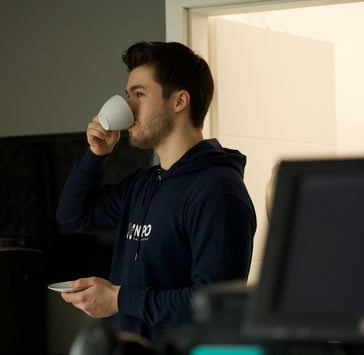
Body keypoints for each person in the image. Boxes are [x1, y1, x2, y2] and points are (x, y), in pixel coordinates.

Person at [56, 41, 256, 341]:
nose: (128, 107)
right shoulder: (144, 184)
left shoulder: (218, 191)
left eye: (139, 94)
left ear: (179, 101)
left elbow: (215, 305)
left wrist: (118, 300)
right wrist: (96, 154)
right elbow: (74, 216)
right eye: (128, 96)